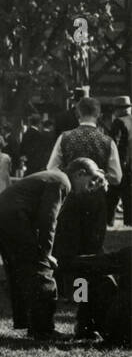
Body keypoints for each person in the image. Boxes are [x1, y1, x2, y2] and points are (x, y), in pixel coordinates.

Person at [0, 161, 102, 342]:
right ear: (80, 173)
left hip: (2, 214)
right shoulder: (62, 182)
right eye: (91, 180)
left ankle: (33, 325)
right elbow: (48, 220)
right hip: (13, 216)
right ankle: (43, 330)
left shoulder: (56, 177)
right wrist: (46, 254)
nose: (91, 186)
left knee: (24, 270)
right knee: (42, 272)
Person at [48, 96, 122, 260]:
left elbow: (51, 169)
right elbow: (117, 177)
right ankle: (86, 283)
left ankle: (73, 283)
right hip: (96, 199)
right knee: (92, 247)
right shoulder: (107, 141)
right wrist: (101, 176)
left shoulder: (64, 138)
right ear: (99, 115)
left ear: (77, 114)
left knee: (69, 244)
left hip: (70, 198)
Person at [110, 96, 132, 226]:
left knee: (112, 195)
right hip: (130, 164)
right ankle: (129, 221)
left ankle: (109, 220)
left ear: (119, 109)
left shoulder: (118, 122)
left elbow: (114, 144)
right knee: (129, 195)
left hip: (121, 162)